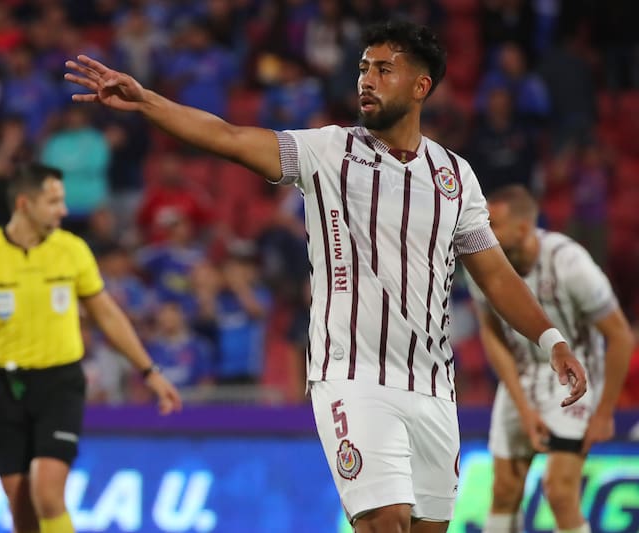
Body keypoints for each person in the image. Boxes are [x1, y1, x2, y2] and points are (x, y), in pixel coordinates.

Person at [64, 20, 587, 533]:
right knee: (384, 522)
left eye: (384, 69)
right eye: (363, 68)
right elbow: (227, 136)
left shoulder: (454, 176)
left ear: (421, 86)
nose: (367, 79)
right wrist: (147, 101)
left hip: (432, 386)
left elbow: (494, 275)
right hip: (352, 376)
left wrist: (551, 339)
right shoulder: (328, 152)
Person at [0, 163, 182, 533]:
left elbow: (108, 316)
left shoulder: (72, 251)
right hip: (5, 387)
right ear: (25, 203)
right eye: (54, 201)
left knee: (47, 491)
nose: (64, 209)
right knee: (20, 502)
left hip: (59, 384)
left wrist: (149, 372)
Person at [467, 185, 633, 533]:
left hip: (574, 380)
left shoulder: (570, 263)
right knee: (504, 490)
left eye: (493, 224)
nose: (485, 231)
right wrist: (523, 408)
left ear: (523, 228)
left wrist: (605, 412)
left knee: (558, 492)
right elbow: (492, 336)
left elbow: (619, 335)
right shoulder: (480, 262)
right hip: (522, 375)